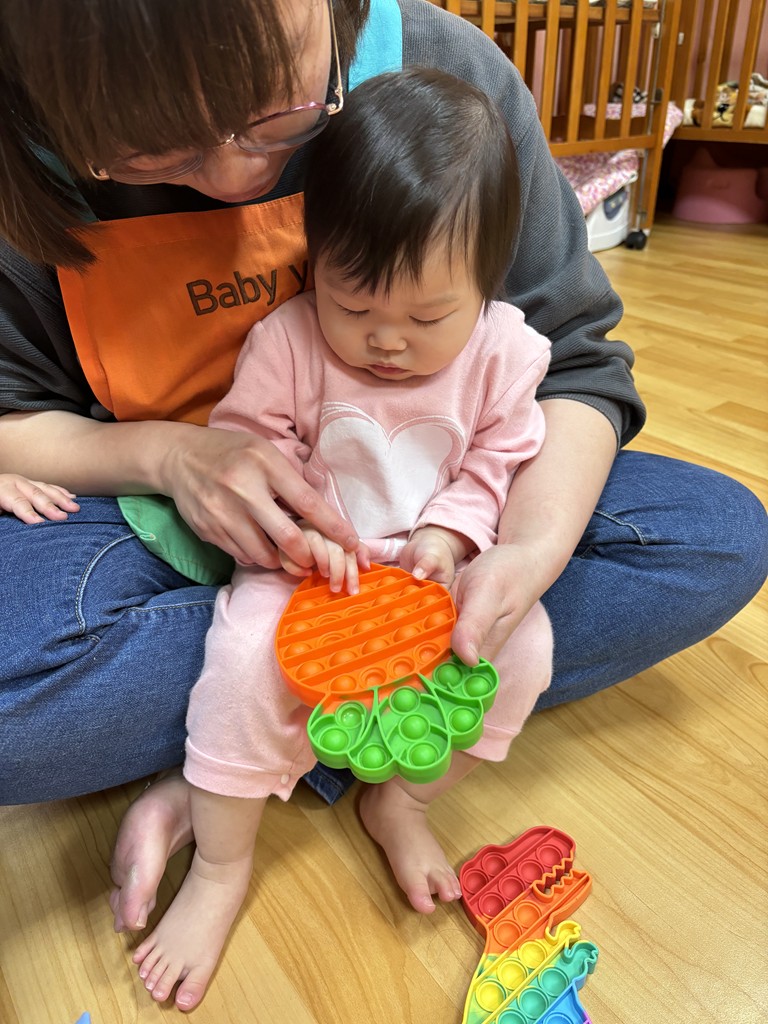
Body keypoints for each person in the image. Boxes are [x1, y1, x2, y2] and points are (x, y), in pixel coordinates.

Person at [0, 0, 765, 999]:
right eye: (153, 149)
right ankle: (259, 795)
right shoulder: (282, 338)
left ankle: (308, 764)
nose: (235, 175)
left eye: (276, 115)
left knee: (701, 544)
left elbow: (532, 419)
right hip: (213, 534)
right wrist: (196, 468)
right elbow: (171, 425)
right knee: (113, 680)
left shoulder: (472, 181)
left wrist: (509, 551)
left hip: (428, 565)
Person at [129, 66, 553, 1008]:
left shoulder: (508, 353)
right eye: (353, 306)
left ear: (487, 284)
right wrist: (290, 533)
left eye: (428, 316)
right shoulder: (285, 341)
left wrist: (452, 535)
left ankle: (400, 801)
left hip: (433, 578)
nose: (386, 341)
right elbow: (250, 449)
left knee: (527, 647)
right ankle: (221, 865)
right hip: (307, 574)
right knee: (240, 666)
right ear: (314, 262)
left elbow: (500, 460)